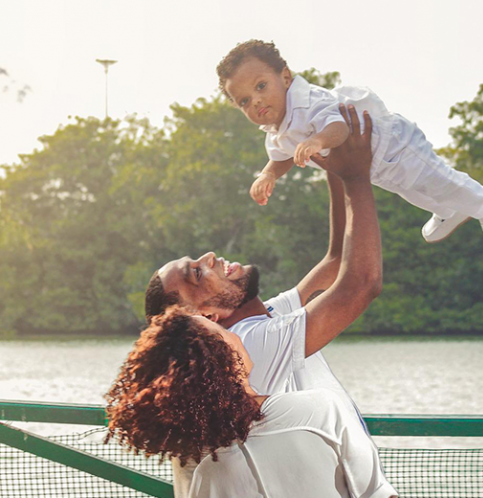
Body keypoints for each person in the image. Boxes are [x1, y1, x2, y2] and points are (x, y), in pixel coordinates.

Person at [145, 103, 382, 496]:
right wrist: (356, 176)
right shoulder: (250, 341)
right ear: (206, 318)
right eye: (197, 273)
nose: (209, 257)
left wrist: (331, 161)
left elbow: (337, 260)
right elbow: (361, 283)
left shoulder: (262, 317)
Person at [218, 39, 483, 253]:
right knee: (412, 191)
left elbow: (338, 127)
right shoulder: (276, 132)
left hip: (396, 144)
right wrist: (268, 174)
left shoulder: (309, 102)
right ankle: (449, 211)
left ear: (285, 77)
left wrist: (317, 140)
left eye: (261, 86)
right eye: (244, 101)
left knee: (437, 179)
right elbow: (281, 156)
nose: (256, 101)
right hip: (375, 166)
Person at [105, 307, 398, 498]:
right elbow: (376, 492)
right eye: (223, 332)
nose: (234, 334)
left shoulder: (208, 476)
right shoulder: (318, 411)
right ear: (226, 359)